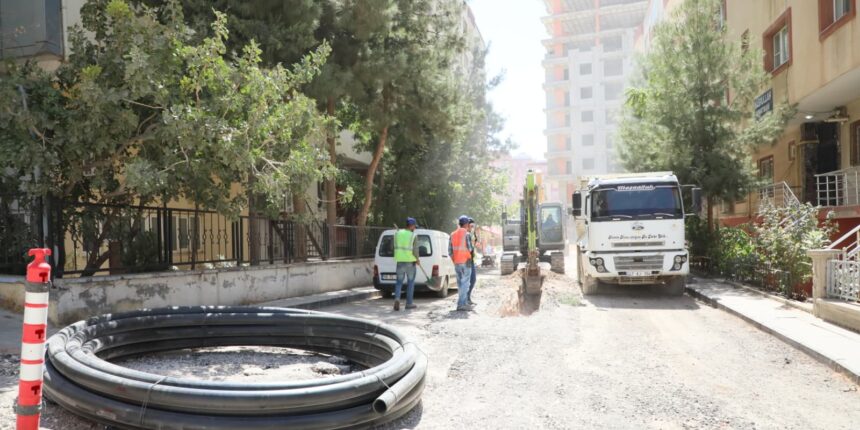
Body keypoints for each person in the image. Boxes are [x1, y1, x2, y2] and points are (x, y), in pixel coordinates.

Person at [393, 217, 420, 311]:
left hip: (399, 261)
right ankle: (409, 303)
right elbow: (416, 250)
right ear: (411, 226)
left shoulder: (397, 234)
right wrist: (417, 259)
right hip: (410, 262)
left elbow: (394, 246)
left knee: (398, 282)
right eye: (414, 226)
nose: (415, 228)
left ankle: (397, 299)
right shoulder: (413, 236)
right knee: (410, 283)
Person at [449, 215, 474, 311]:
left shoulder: (452, 234)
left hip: (457, 263)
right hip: (465, 261)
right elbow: (470, 248)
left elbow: (450, 251)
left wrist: (454, 260)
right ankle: (461, 304)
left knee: (460, 284)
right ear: (467, 224)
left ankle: (462, 303)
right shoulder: (466, 234)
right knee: (465, 283)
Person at [467, 218, 478, 306]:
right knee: (468, 280)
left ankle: (468, 297)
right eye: (471, 226)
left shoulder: (472, 234)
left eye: (473, 226)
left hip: (472, 260)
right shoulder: (466, 234)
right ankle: (465, 299)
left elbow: (474, 244)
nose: (472, 227)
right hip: (466, 260)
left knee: (473, 280)